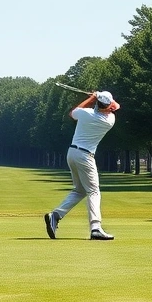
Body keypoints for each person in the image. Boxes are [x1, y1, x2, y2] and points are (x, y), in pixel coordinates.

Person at [44, 90, 120, 240]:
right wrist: (98, 97)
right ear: (107, 105)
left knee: (79, 190)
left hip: (72, 153)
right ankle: (96, 228)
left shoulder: (86, 114)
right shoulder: (109, 119)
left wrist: (91, 97)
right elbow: (116, 106)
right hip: (85, 156)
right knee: (94, 191)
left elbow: (73, 113)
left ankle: (56, 215)